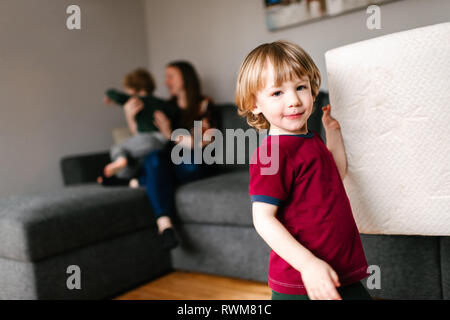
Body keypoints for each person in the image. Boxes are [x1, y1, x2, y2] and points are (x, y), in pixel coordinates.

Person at [235, 40, 371, 300]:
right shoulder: (272, 153)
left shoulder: (310, 139)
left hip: (340, 270)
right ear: (255, 104)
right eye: (277, 93)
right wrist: (308, 264)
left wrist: (333, 134)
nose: (295, 100)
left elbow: (335, 176)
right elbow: (263, 219)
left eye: (301, 87)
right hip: (301, 283)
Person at [124, 61, 217, 250]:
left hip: (195, 161)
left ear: (185, 78)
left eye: (171, 76)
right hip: (168, 161)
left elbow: (201, 142)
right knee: (154, 158)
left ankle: (141, 180)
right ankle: (165, 225)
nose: (166, 82)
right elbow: (145, 139)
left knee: (189, 164)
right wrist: (130, 118)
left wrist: (169, 134)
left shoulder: (204, 104)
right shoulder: (165, 107)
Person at [99, 68, 178, 185]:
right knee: (136, 161)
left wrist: (109, 97)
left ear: (132, 89)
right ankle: (129, 179)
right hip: (162, 141)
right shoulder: (162, 103)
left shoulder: (136, 100)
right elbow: (175, 112)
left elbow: (113, 93)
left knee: (118, 149)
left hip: (147, 138)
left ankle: (121, 162)